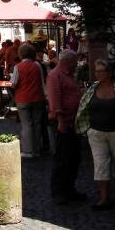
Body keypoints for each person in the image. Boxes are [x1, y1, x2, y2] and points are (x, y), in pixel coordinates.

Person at [76, 60, 115, 210]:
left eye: (100, 71)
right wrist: (86, 128)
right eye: (96, 71)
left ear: (108, 73)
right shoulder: (92, 89)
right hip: (97, 132)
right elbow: (83, 107)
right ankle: (104, 198)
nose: (96, 74)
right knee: (100, 164)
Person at [46, 49, 85, 204]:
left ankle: (70, 188)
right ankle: (59, 192)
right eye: (75, 61)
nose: (77, 64)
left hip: (73, 121)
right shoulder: (55, 75)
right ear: (68, 61)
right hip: (63, 122)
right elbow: (55, 100)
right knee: (62, 158)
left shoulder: (68, 74)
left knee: (74, 158)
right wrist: (61, 120)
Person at [11, 43, 46, 158]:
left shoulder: (18, 66)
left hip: (23, 98)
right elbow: (42, 82)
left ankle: (27, 150)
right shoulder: (37, 65)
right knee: (37, 124)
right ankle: (37, 149)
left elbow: (14, 83)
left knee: (26, 124)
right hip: (38, 98)